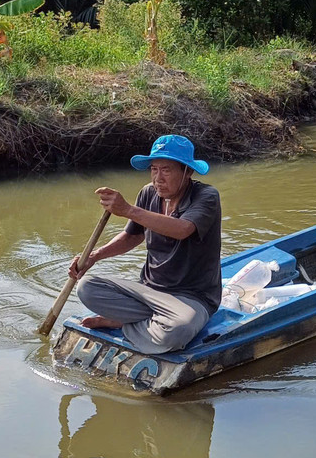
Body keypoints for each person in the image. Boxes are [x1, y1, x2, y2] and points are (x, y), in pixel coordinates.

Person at [69, 134, 221, 354]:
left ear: (187, 172)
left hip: (191, 297)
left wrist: (129, 210)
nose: (158, 178)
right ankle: (144, 323)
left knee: (178, 329)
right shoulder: (148, 192)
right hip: (149, 292)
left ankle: (123, 322)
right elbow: (132, 236)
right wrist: (94, 256)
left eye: (166, 170)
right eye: (154, 169)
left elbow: (182, 229)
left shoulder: (206, 196)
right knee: (87, 287)